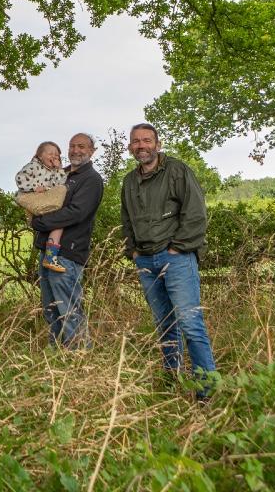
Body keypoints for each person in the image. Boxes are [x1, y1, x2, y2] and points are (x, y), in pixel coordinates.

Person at [121, 123, 217, 398]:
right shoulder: (129, 181)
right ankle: (170, 382)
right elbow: (126, 220)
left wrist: (177, 249)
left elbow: (195, 212)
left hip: (176, 259)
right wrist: (134, 252)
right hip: (145, 262)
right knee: (165, 324)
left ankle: (206, 391)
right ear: (131, 147)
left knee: (190, 323)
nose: (142, 146)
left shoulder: (177, 170)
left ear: (158, 144)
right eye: (136, 141)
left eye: (147, 140)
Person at [29, 133, 103, 349]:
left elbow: (76, 213)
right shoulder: (62, 174)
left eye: (82, 146)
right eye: (72, 146)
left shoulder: (91, 179)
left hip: (68, 254)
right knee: (51, 308)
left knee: (69, 309)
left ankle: (79, 357)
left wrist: (40, 222)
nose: (75, 150)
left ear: (92, 151)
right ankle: (57, 357)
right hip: (47, 250)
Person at [16, 141, 70, 272]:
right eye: (50, 153)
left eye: (57, 155)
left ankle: (50, 257)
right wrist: (34, 187)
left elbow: (60, 184)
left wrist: (58, 169)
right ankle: (49, 257)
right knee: (58, 220)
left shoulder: (55, 170)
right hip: (33, 197)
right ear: (40, 156)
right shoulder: (34, 166)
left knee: (59, 223)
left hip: (46, 201)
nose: (54, 156)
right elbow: (19, 178)